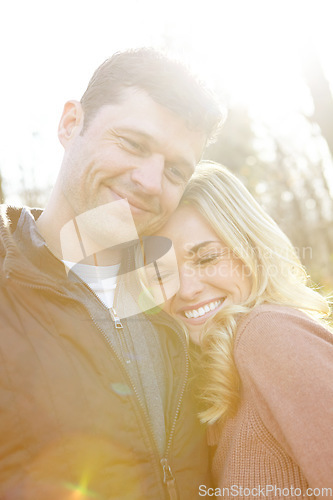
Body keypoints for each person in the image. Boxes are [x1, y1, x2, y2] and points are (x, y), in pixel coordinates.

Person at [0, 49, 223, 499]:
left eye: (176, 170)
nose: (150, 181)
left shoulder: (182, 304)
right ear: (70, 124)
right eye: (133, 144)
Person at [152, 161, 333, 496]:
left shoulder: (269, 335)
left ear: (252, 251)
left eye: (206, 258)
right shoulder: (214, 370)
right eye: (163, 272)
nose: (186, 289)